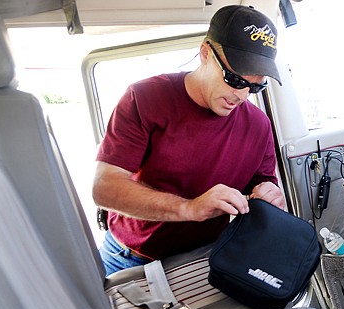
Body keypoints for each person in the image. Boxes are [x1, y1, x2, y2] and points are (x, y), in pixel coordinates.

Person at [92, 5, 286, 276]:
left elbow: (263, 187)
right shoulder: (144, 98)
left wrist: (269, 196)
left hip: (205, 257)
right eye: (233, 79)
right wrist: (189, 208)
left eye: (255, 87)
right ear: (205, 52)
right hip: (129, 258)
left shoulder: (259, 126)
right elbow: (104, 188)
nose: (241, 96)